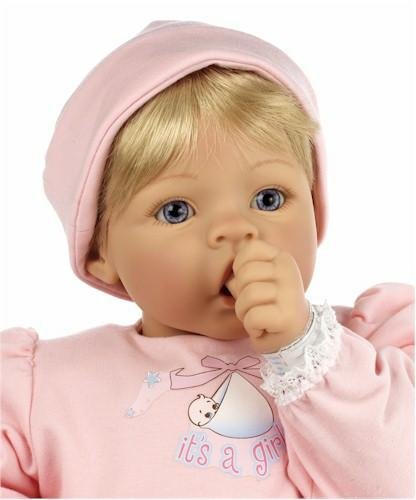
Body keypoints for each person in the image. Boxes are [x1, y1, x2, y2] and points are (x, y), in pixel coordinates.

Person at [1, 19, 414, 498]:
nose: (236, 230)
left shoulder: (369, 354)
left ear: (316, 211)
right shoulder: (45, 390)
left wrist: (304, 349)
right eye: (176, 210)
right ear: (99, 250)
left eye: (268, 199)